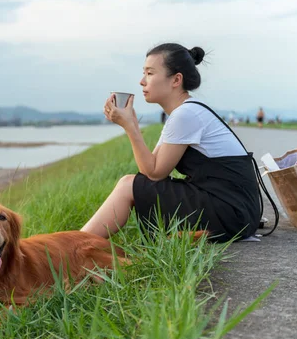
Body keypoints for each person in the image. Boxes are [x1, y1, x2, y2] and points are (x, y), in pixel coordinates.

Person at [81, 43, 262, 242]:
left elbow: (155, 173)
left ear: (176, 79)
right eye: (144, 73)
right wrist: (131, 125)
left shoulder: (186, 114)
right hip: (234, 209)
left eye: (150, 73)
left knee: (127, 185)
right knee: (130, 184)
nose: (142, 81)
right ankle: (75, 244)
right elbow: (150, 170)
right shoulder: (184, 112)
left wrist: (130, 128)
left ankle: (72, 247)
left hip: (231, 213)